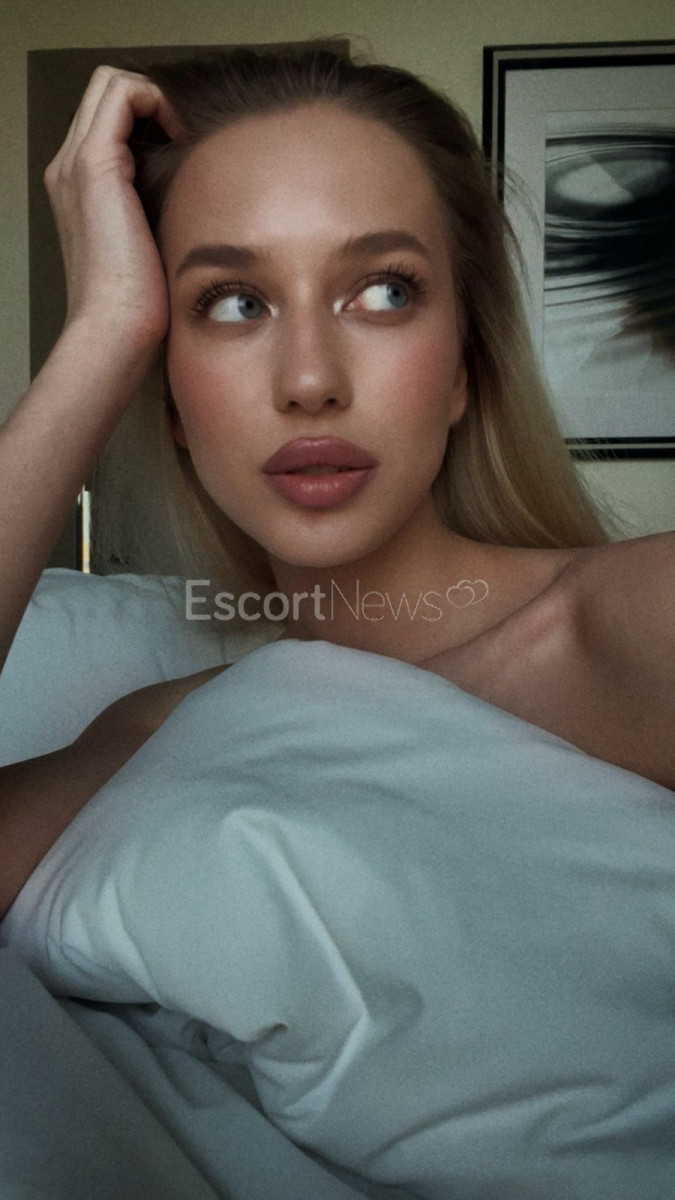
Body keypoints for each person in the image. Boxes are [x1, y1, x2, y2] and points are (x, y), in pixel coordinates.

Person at [0, 40, 673, 1198]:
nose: (309, 378)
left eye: (384, 291)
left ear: (463, 369)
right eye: (233, 303)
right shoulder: (155, 731)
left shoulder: (637, 621)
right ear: (168, 398)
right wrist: (99, 337)